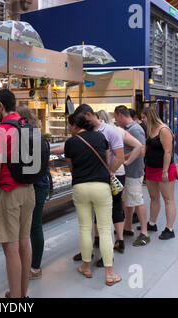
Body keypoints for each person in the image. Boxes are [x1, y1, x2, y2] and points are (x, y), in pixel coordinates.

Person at [0, 89, 36, 298]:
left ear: (0, 106)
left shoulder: (1, 131)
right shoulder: (26, 125)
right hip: (28, 191)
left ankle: (14, 299)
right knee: (24, 244)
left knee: (11, 250)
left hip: (9, 193)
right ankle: (22, 294)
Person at [64, 111, 122, 286]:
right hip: (101, 187)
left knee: (85, 228)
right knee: (105, 229)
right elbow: (105, 161)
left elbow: (71, 168)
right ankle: (109, 273)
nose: (69, 128)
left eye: (70, 125)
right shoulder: (100, 137)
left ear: (75, 125)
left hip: (80, 187)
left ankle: (86, 267)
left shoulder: (70, 143)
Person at [96, 110, 144, 259]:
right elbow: (138, 146)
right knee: (117, 206)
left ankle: (105, 247)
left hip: (105, 173)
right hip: (120, 174)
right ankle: (120, 240)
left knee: (102, 209)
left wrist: (121, 162)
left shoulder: (98, 133)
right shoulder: (119, 131)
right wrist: (126, 162)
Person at [16, 106, 50, 280]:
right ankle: (34, 265)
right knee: (35, 226)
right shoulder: (40, 137)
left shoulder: (21, 137)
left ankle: (31, 266)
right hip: (42, 185)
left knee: (28, 228)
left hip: (29, 187)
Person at [114, 105, 150, 247]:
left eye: (116, 118)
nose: (116, 121)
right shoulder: (129, 129)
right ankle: (127, 227)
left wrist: (122, 157)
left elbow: (141, 150)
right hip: (128, 172)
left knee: (137, 200)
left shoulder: (135, 129)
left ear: (120, 115)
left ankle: (144, 233)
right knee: (128, 200)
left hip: (134, 172)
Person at [141, 107, 178, 240]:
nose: (142, 120)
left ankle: (169, 228)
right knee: (153, 197)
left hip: (164, 169)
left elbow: (168, 152)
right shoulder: (149, 130)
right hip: (151, 167)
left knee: (168, 199)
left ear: (149, 117)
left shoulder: (164, 130)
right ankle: (152, 223)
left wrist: (165, 171)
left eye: (143, 117)